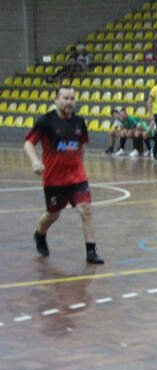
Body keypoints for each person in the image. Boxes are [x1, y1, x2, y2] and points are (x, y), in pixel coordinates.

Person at [24, 86, 104, 265]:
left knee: (86, 210)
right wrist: (35, 161)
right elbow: (29, 143)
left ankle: (91, 251)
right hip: (54, 179)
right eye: (66, 98)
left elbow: (82, 144)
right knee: (53, 215)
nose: (69, 102)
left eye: (72, 98)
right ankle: (40, 233)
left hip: (77, 176)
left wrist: (79, 166)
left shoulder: (79, 122)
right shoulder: (46, 121)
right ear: (56, 100)